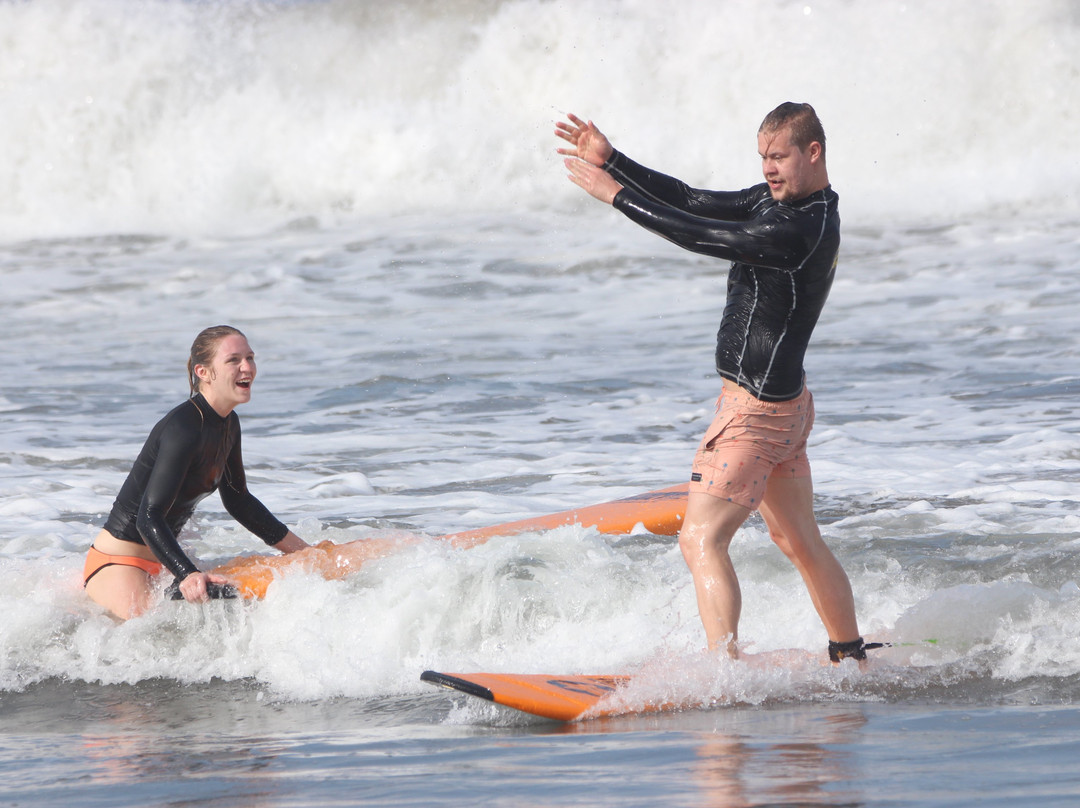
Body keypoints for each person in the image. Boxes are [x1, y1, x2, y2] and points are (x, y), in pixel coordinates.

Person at [556, 104, 873, 663]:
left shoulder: (798, 228)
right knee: (798, 540)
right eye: (763, 158)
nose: (768, 169)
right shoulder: (788, 204)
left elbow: (701, 236)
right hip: (787, 407)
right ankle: (849, 654)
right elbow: (694, 200)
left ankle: (722, 672)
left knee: (701, 540)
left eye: (778, 157)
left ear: (813, 152)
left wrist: (615, 196)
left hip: (754, 414)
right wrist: (616, 161)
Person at [84, 325, 310, 619]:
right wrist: (188, 574)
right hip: (119, 563)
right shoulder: (184, 427)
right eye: (233, 360)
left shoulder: (228, 424)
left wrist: (303, 551)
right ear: (203, 372)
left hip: (163, 562)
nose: (247, 367)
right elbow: (147, 515)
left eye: (250, 357)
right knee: (150, 640)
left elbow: (239, 500)